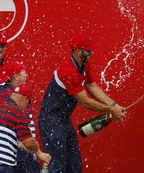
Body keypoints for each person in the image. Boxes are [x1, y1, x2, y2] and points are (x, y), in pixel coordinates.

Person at [39, 33, 126, 173]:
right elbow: (85, 101)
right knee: (58, 167)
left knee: (75, 165)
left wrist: (114, 105)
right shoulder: (68, 71)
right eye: (88, 50)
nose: (92, 53)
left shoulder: (84, 64)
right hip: (51, 119)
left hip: (63, 120)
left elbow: (92, 86)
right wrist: (110, 110)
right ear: (77, 51)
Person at [0, 61, 50, 173]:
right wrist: (38, 152)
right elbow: (26, 137)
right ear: (15, 76)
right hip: (17, 156)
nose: (27, 75)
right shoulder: (19, 100)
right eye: (23, 72)